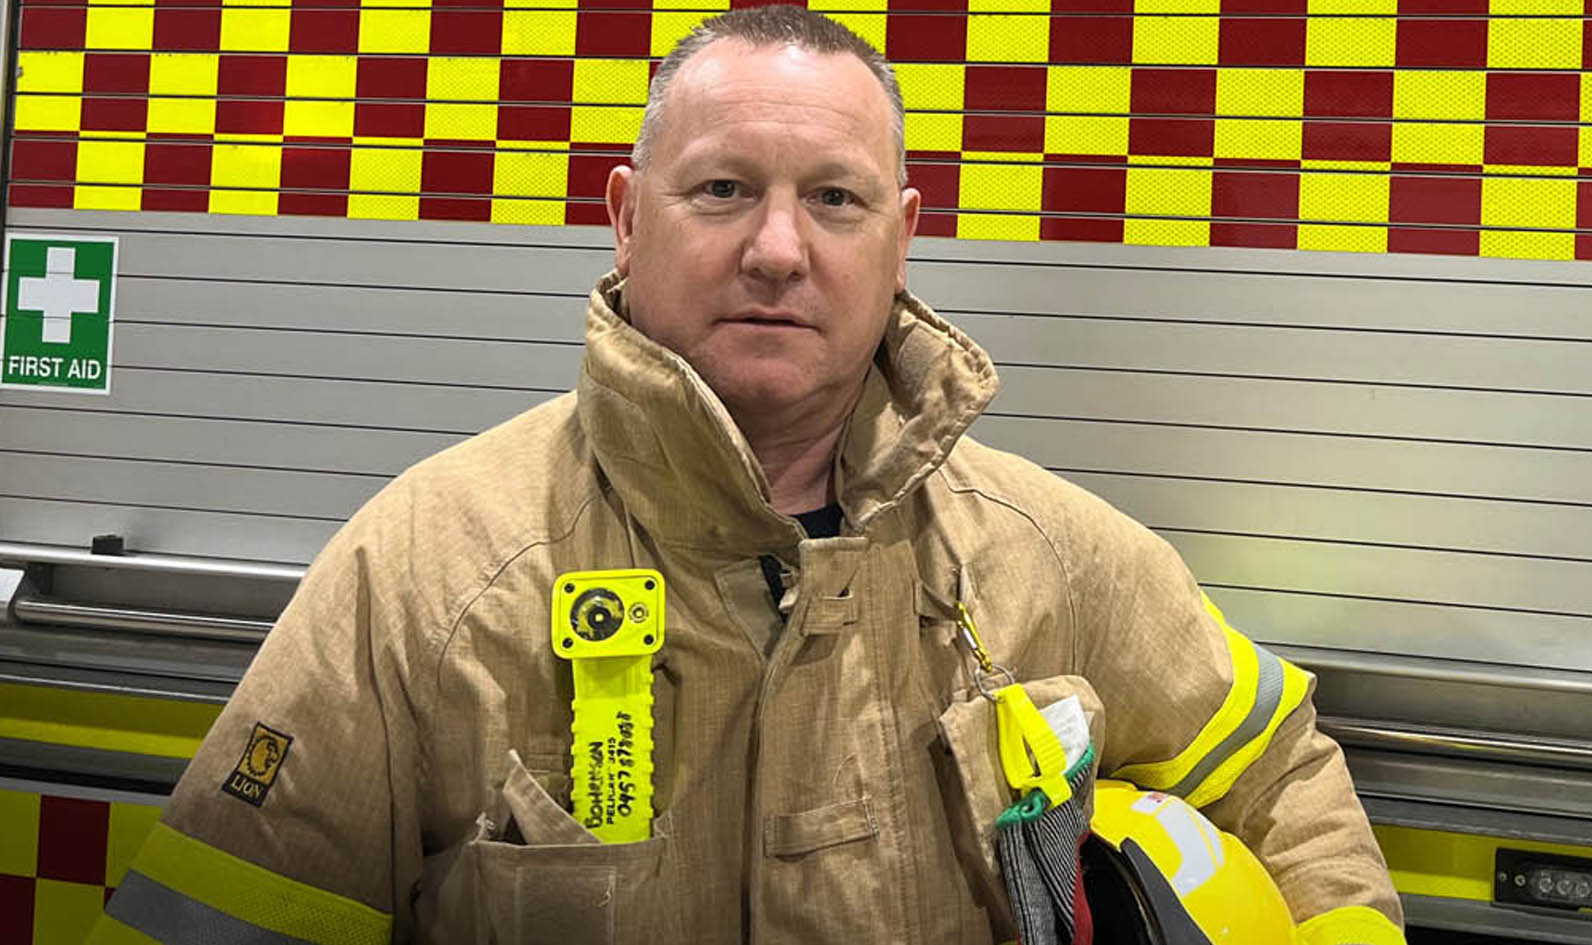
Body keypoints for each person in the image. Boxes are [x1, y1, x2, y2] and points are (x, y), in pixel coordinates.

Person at [91, 7, 1404, 943]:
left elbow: (1279, 767)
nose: (778, 248)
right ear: (624, 214)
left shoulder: (1045, 553)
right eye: (722, 189)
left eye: (833, 200)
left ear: (901, 234)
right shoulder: (429, 569)